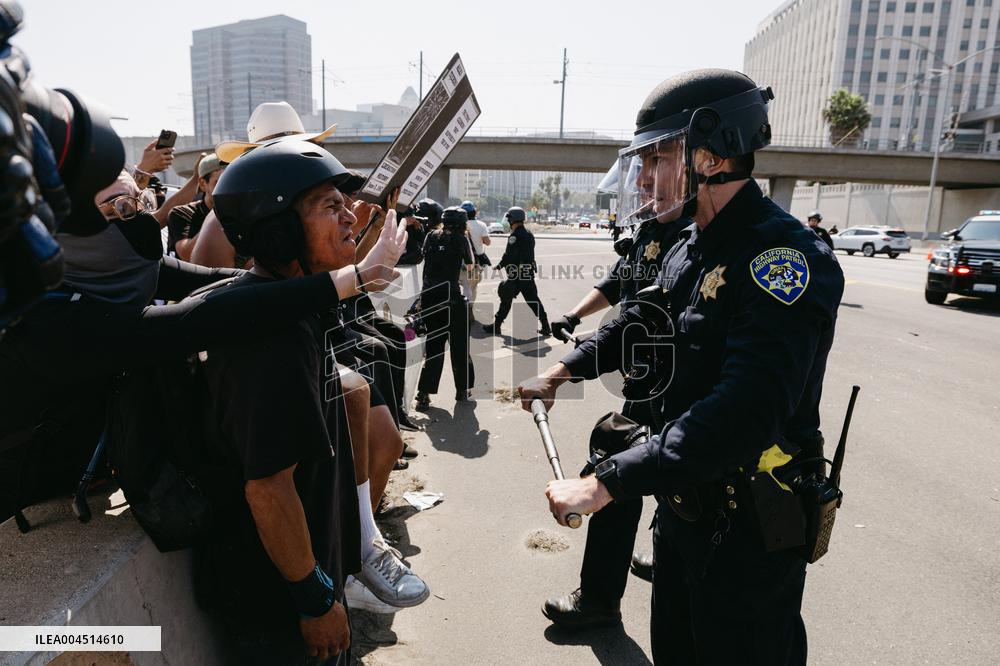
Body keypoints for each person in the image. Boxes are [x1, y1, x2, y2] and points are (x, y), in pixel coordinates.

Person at [518, 69, 844, 665]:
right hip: (684, 510)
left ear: (712, 155)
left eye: (657, 159)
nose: (643, 178)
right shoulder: (688, 245)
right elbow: (638, 323)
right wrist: (561, 370)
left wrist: (606, 482)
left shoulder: (783, 259)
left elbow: (745, 411)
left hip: (750, 526)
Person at [197, 138, 414, 663]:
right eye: (329, 206)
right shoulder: (269, 341)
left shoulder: (293, 306)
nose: (349, 220)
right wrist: (315, 599)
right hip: (276, 605)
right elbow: (269, 491)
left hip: (306, 576)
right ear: (280, 231)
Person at [542, 190, 688, 627]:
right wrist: (573, 317)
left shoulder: (692, 237)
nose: (643, 186)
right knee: (647, 457)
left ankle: (601, 599)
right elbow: (619, 287)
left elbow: (644, 316)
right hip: (648, 373)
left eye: (655, 166)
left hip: (675, 376)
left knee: (620, 461)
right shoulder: (652, 232)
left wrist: (570, 366)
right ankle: (658, 557)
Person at [414, 206, 475, 410]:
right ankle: (462, 390)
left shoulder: (431, 236)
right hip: (451, 298)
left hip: (429, 298)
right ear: (463, 223)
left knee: (434, 347)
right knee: (459, 346)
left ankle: (423, 394)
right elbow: (470, 265)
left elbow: (422, 257)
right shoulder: (461, 239)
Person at [483, 206, 550, 337]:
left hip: (517, 274)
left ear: (512, 220)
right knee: (532, 300)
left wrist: (500, 265)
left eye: (509, 219)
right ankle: (546, 325)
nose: (508, 221)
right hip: (527, 273)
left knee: (506, 297)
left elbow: (509, 255)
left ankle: (496, 326)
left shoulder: (514, 236)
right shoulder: (529, 234)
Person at [167, 152, 225, 260]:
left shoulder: (241, 211)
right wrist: (220, 213)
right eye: (220, 183)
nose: (226, 188)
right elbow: (186, 254)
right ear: (203, 184)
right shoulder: (182, 214)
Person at [459, 200, 491, 310]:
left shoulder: (459, 226)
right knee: (472, 287)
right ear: (474, 212)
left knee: (462, 286)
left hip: (460, 262)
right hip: (475, 263)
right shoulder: (481, 225)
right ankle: (469, 310)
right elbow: (487, 242)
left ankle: (461, 308)